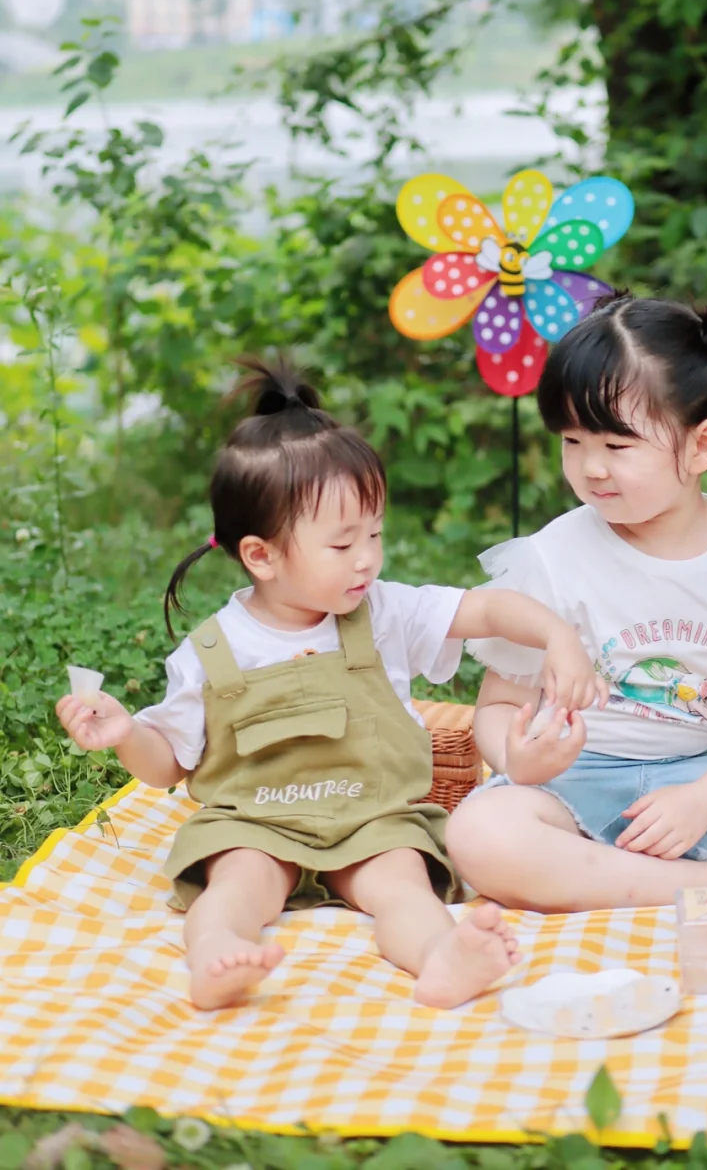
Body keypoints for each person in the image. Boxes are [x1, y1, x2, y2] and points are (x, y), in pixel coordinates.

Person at [56, 358, 605, 1012]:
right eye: (342, 546)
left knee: (404, 888)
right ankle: (216, 959)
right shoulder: (213, 650)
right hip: (255, 823)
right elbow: (168, 764)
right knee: (235, 889)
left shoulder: (384, 611)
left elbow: (486, 610)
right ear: (261, 555)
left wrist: (556, 636)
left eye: (375, 533)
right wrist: (126, 734)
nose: (367, 558)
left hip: (371, 819)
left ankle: (441, 957)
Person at [447, 293, 707, 910]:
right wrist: (518, 759)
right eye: (572, 441)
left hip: (703, 780)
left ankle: (654, 868)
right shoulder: (549, 558)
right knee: (481, 836)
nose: (591, 468)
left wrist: (704, 802)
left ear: (701, 446)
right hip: (569, 786)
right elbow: (498, 706)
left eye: (617, 446)